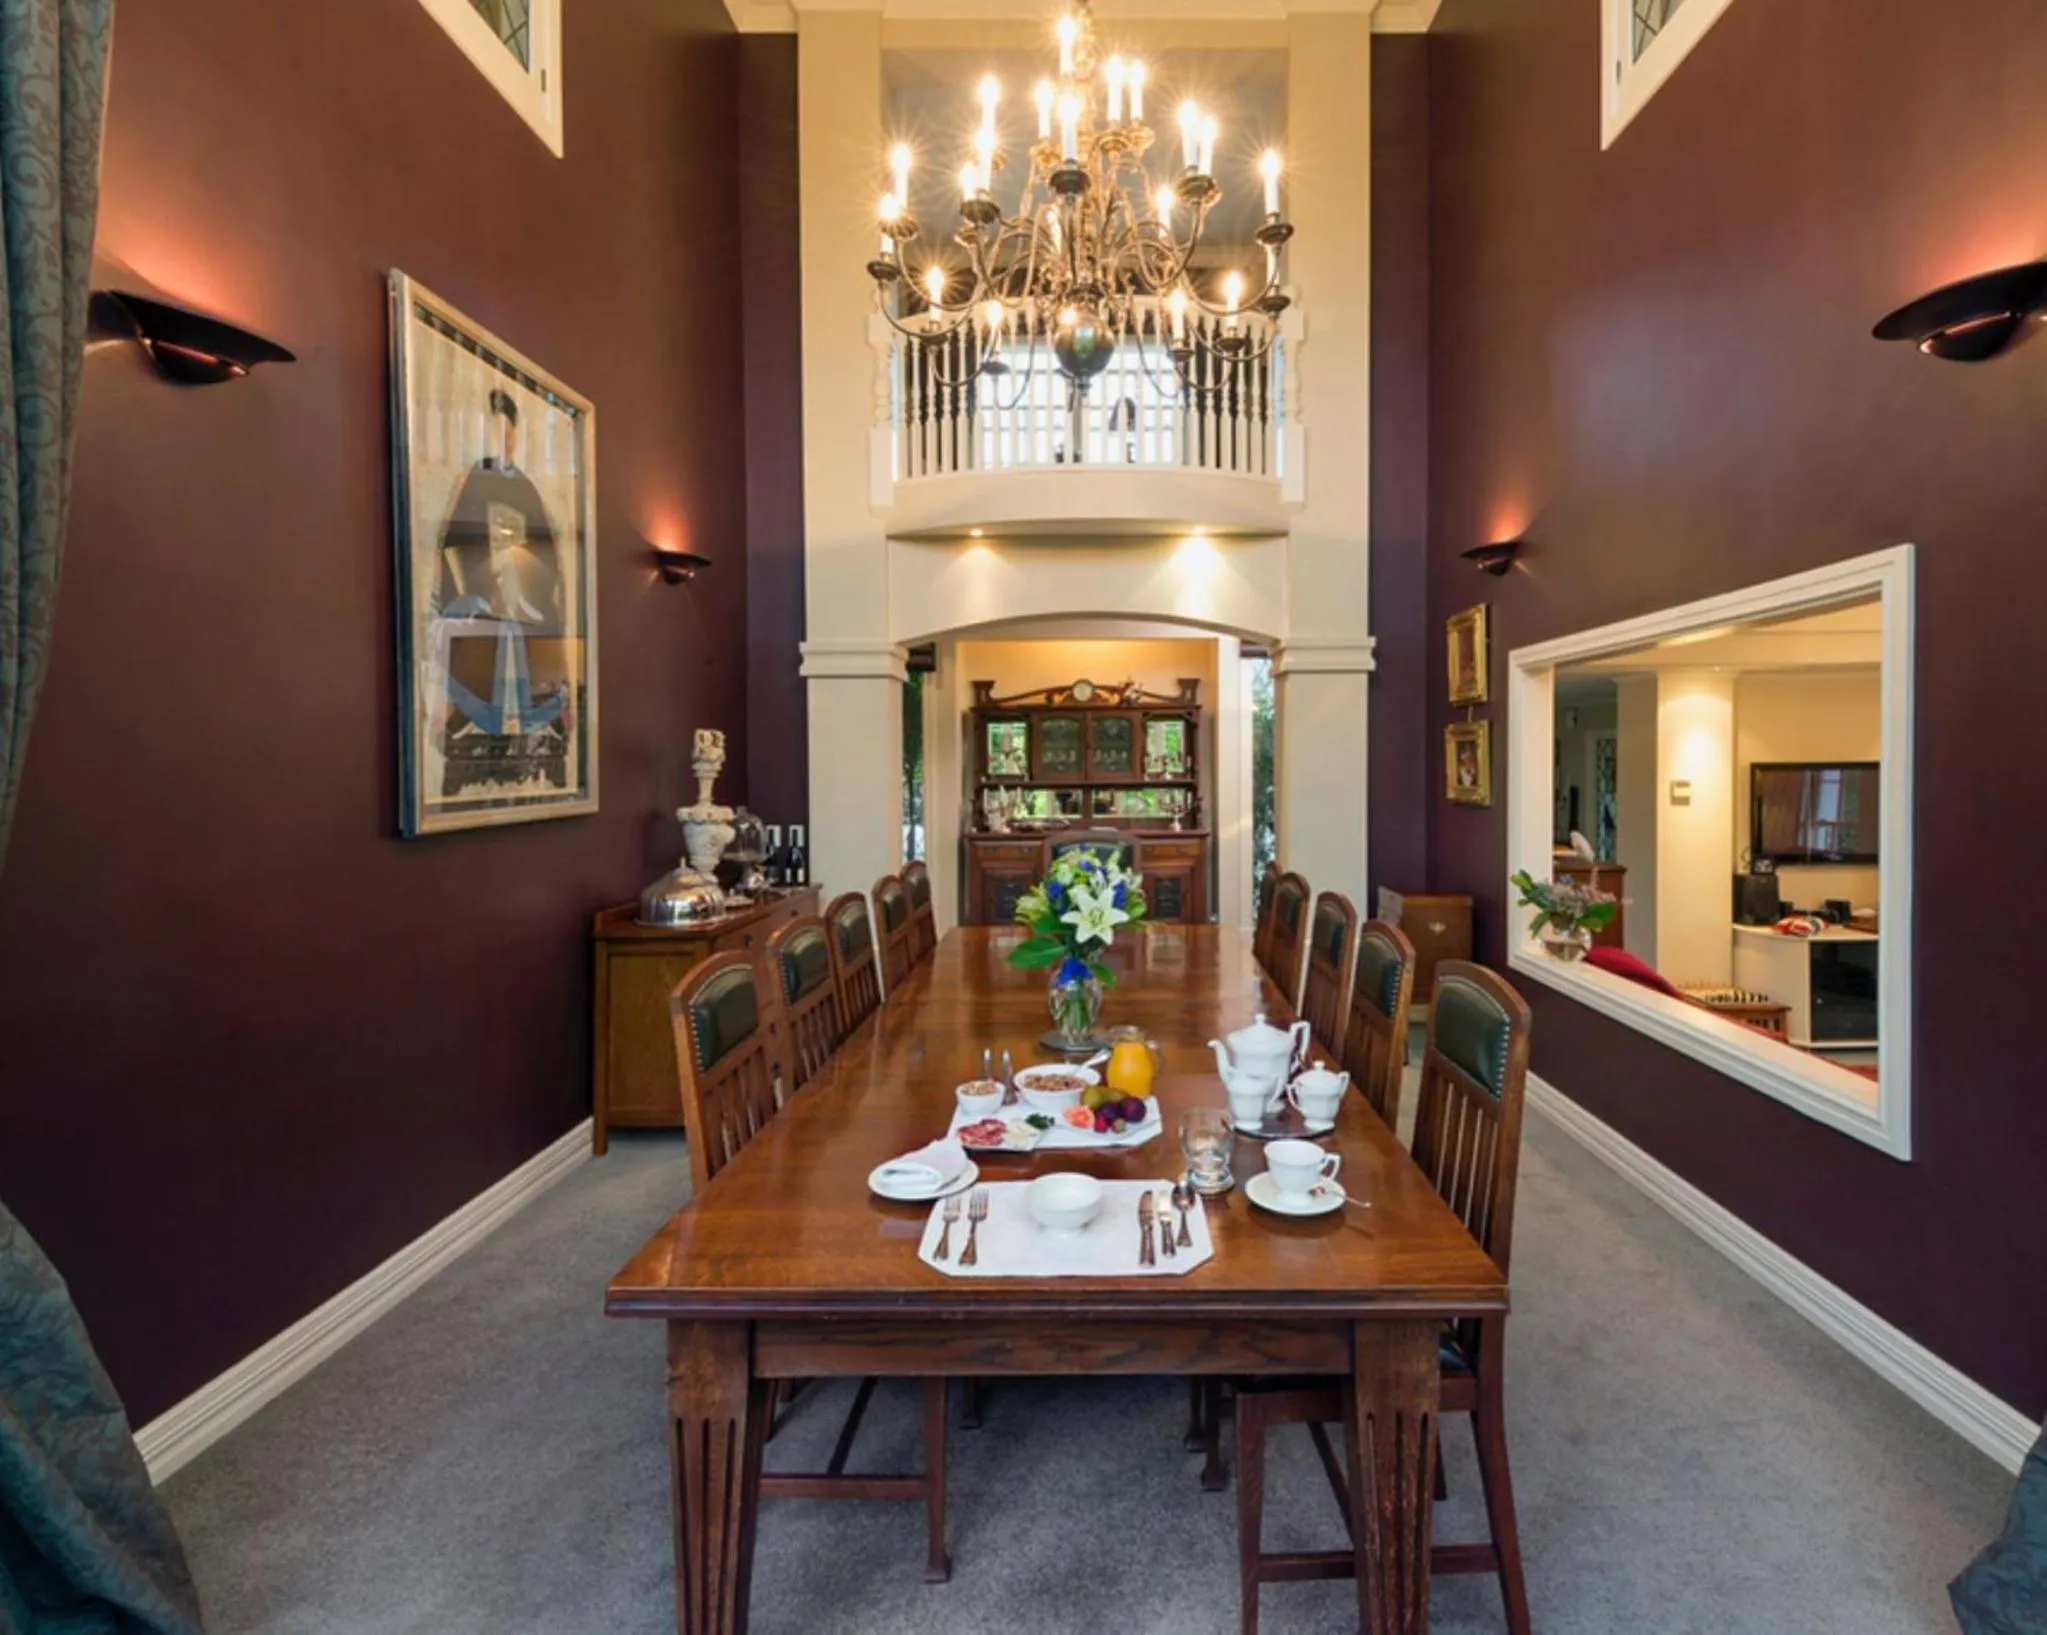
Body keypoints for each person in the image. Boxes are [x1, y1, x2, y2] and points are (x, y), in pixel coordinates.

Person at [432, 389, 571, 796]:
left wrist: (524, 572)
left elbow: (551, 553)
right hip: (481, 597)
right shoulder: (471, 479)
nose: (503, 442)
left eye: (509, 434)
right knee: (479, 654)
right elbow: (451, 545)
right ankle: (471, 737)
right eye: (496, 433)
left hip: (526, 598)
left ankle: (539, 741)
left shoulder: (526, 486)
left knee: (533, 666)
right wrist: (481, 585)